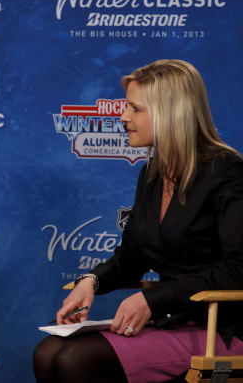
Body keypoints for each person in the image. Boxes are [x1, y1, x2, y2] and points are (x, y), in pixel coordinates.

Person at [33, 59, 243, 383]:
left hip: (222, 329)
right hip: (173, 321)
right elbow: (132, 256)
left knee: (74, 360)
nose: (123, 117)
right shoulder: (152, 174)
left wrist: (153, 299)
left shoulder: (227, 172)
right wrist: (91, 280)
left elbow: (238, 268)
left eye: (135, 108)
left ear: (170, 112)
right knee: (48, 353)